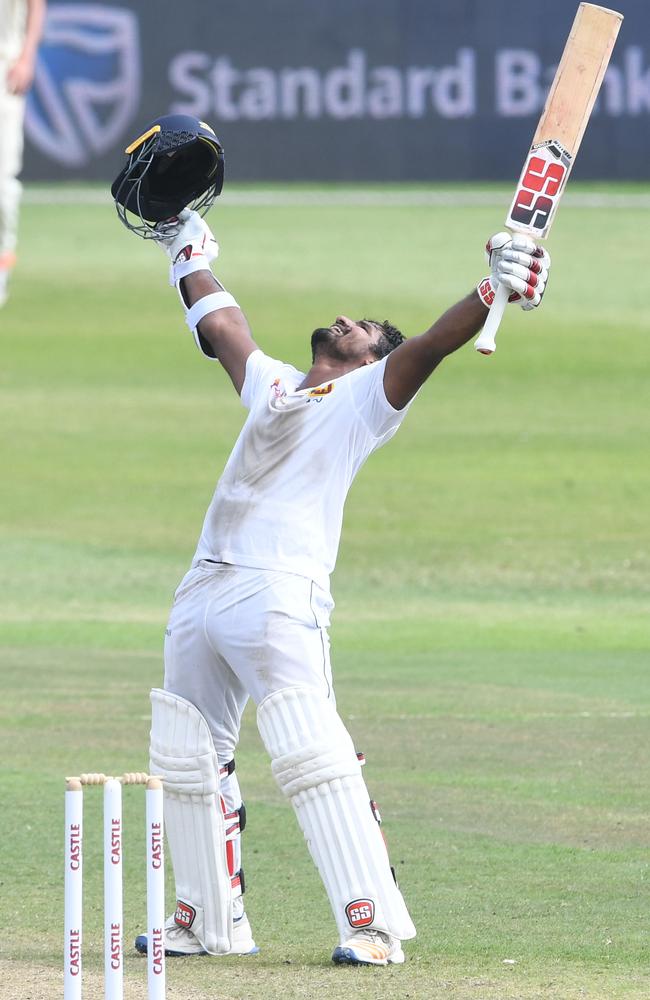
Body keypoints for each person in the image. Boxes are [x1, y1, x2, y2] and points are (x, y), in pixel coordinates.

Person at [134, 208, 550, 967]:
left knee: (311, 752)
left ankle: (372, 924)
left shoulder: (367, 402)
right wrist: (182, 246)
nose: (341, 322)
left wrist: (492, 289)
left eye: (360, 327)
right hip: (203, 585)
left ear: (370, 363)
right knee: (187, 752)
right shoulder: (277, 387)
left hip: (281, 593)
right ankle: (207, 922)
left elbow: (428, 345)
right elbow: (226, 329)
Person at [0, 0, 45, 307]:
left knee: (2, 180)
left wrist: (26, 56)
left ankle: (2, 262)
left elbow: (35, 4)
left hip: (5, 67)